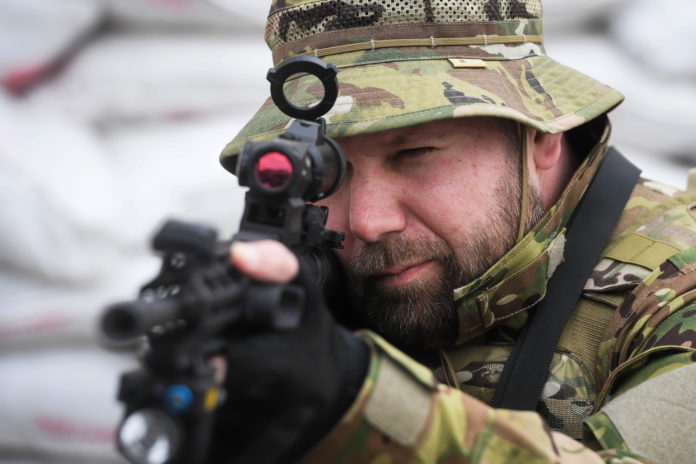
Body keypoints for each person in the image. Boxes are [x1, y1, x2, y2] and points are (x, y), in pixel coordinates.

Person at [211, 1, 696, 463]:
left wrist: (355, 396)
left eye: (414, 153)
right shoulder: (313, 280)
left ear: (541, 134)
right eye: (332, 171)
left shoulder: (679, 285)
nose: (369, 222)